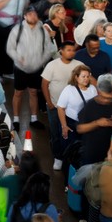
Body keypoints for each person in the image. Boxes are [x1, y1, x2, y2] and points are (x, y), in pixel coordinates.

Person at [6, 5, 55, 131]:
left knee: (33, 92)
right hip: (20, 68)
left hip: (36, 68)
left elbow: (48, 48)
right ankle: (16, 119)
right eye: (30, 14)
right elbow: (10, 48)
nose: (33, 16)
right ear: (25, 16)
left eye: (34, 14)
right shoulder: (18, 29)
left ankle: (34, 119)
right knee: (18, 93)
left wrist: (40, 61)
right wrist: (18, 58)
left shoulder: (42, 30)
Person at [40, 42, 81, 170]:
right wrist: (49, 103)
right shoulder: (52, 65)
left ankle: (70, 157)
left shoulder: (79, 65)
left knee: (71, 132)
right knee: (55, 133)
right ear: (61, 51)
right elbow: (44, 85)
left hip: (73, 108)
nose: (72, 52)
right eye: (68, 50)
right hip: (55, 106)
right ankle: (58, 157)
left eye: (73, 50)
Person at [76, 74, 112, 168]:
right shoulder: (90, 105)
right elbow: (80, 128)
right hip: (93, 153)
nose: (107, 101)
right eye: (106, 97)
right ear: (100, 92)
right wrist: (97, 123)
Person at [55, 65, 95, 156]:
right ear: (76, 77)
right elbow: (60, 108)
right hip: (71, 123)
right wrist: (64, 126)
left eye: (88, 76)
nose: (86, 79)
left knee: (83, 148)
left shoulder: (92, 89)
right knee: (70, 148)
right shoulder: (69, 89)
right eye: (83, 76)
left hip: (86, 123)